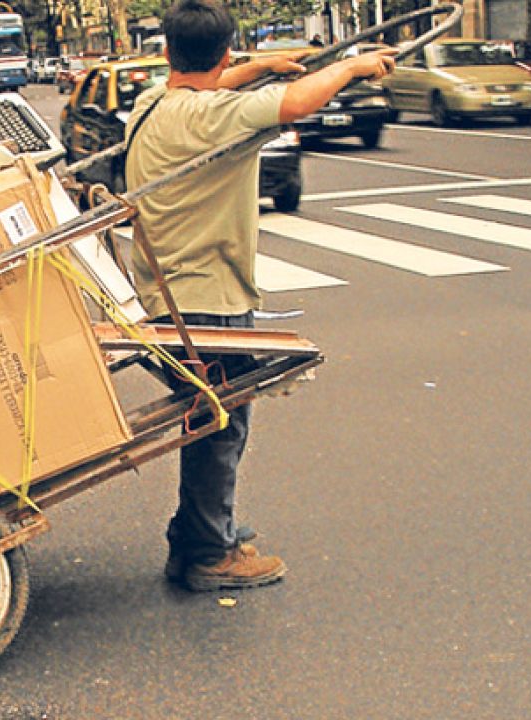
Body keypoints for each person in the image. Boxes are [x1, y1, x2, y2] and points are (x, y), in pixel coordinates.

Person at [124, 0, 395, 591]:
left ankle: (199, 534)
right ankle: (208, 552)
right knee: (222, 422)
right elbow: (297, 103)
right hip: (203, 298)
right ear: (222, 52)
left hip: (166, 291)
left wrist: (264, 64)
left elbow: (214, 81)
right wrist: (352, 67)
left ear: (167, 51)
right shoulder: (212, 116)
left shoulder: (152, 103)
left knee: (212, 417)